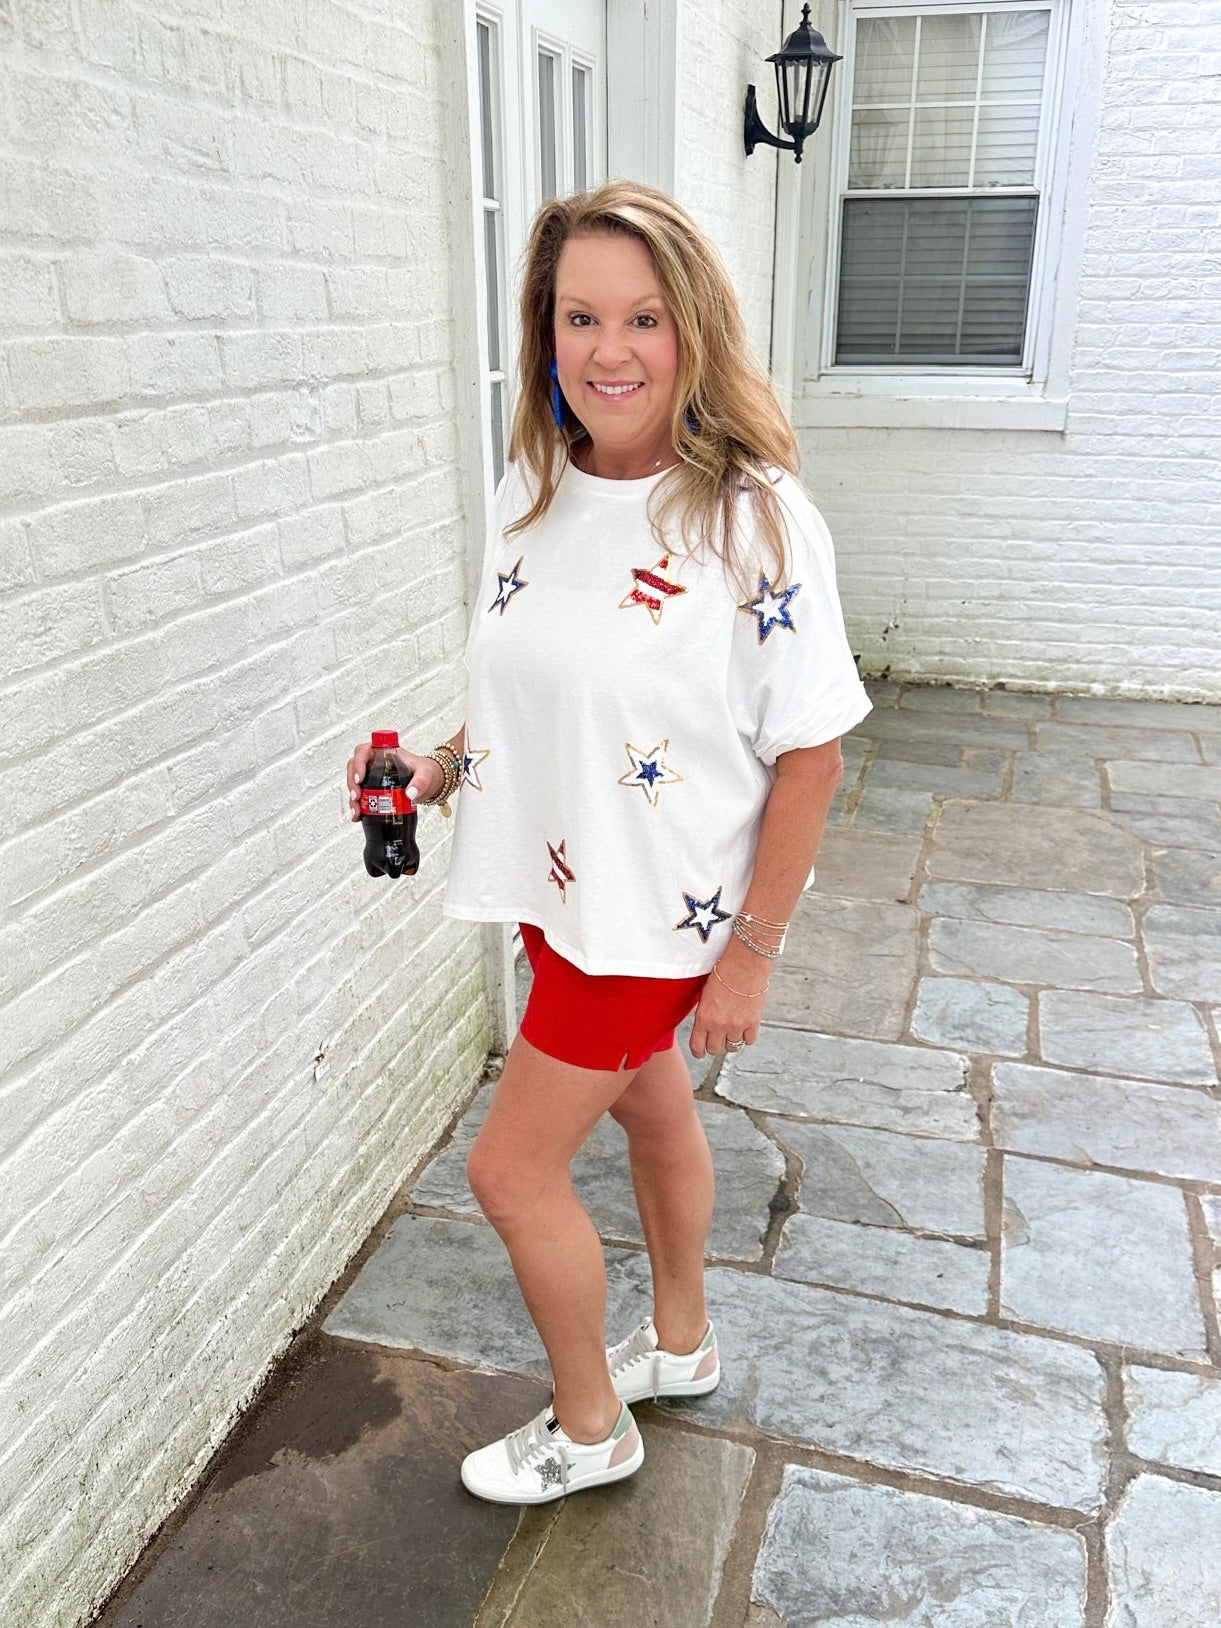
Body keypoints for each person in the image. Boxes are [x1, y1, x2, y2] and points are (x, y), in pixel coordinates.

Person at [346, 181, 870, 1505]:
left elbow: (811, 753)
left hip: (655, 918)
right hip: (566, 888)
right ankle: (679, 1344)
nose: (609, 350)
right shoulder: (536, 484)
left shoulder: (751, 517)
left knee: (509, 1170)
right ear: (546, 331)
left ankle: (591, 1428)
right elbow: (537, 697)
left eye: (643, 317)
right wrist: (438, 768)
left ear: (694, 329)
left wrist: (749, 956)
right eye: (579, 317)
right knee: (651, 1107)